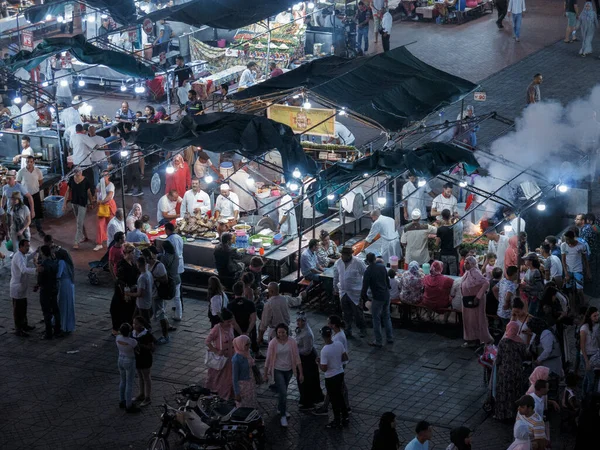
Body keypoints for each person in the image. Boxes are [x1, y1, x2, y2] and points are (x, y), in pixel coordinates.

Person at [264, 323, 303, 427]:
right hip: (277, 369)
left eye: (283, 332)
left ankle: (280, 407)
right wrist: (265, 372)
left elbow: (297, 357)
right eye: (279, 332)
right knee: (283, 393)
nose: (281, 334)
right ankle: (283, 415)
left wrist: (301, 373)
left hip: (289, 369)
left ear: (287, 332)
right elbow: (268, 358)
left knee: (283, 391)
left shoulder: (292, 342)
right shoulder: (273, 343)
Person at [493, 321, 528, 420]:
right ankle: (513, 415)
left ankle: (501, 415)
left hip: (504, 372)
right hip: (517, 372)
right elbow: (525, 356)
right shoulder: (520, 342)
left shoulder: (503, 342)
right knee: (515, 394)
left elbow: (498, 358)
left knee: (503, 394)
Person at [318, 325, 349, 429]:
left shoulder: (324, 351)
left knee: (334, 399)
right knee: (340, 396)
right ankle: (345, 416)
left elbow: (324, 369)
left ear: (323, 336)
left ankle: (336, 420)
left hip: (331, 377)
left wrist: (318, 363)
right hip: (340, 373)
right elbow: (345, 357)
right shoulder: (339, 344)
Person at [334, 246, 367, 338]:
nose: (343, 257)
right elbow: (336, 276)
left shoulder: (358, 262)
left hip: (355, 293)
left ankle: (362, 329)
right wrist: (335, 288)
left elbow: (366, 275)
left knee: (358, 313)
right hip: (343, 292)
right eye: (342, 255)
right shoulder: (338, 263)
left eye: (345, 255)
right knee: (346, 313)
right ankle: (347, 329)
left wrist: (364, 290)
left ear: (349, 255)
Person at [362, 252, 393, 348]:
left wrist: (364, 298)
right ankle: (389, 337)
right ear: (375, 259)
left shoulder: (368, 271)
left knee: (376, 319)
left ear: (367, 261)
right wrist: (388, 287)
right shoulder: (382, 267)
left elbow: (365, 287)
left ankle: (378, 341)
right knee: (387, 316)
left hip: (377, 297)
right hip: (386, 294)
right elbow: (387, 281)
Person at [461, 256, 493, 347]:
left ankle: (478, 339)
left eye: (467, 263)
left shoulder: (475, 272)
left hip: (475, 301)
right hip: (468, 301)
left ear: (472, 264)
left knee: (475, 320)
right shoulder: (467, 273)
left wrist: (478, 297)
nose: (465, 264)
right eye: (465, 262)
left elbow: (486, 283)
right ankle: (471, 338)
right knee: (469, 320)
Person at [295, 312, 324, 410]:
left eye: (301, 321)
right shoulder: (301, 330)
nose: (298, 322)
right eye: (297, 320)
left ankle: (308, 402)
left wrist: (295, 350)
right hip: (303, 358)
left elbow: (307, 350)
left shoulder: (307, 334)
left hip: (307, 360)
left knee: (307, 381)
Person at [144, 247, 172, 345]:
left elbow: (165, 280)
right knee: (149, 313)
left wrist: (154, 278)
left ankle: (166, 336)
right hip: (151, 294)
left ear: (148, 257)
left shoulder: (159, 266)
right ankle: (147, 333)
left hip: (158, 295)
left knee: (161, 315)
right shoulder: (147, 265)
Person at [10, 239, 37, 337]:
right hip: (17, 287)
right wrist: (36, 270)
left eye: (28, 246)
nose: (28, 248)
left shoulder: (22, 255)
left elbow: (28, 257)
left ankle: (24, 325)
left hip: (22, 287)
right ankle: (19, 329)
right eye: (26, 246)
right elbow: (23, 270)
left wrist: (35, 252)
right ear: (20, 247)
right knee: (18, 310)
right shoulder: (18, 257)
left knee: (23, 308)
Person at [111, 243, 138, 336]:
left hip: (131, 290)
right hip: (123, 292)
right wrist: (126, 291)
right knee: (120, 310)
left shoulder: (133, 263)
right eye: (133, 253)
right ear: (128, 253)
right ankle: (118, 329)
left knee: (130, 311)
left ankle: (128, 328)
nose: (134, 255)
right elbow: (120, 280)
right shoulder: (122, 264)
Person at [37, 245, 62, 340]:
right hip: (54, 288)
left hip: (45, 290)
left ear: (43, 253)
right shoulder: (54, 262)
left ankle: (48, 333)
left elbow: (40, 280)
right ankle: (57, 330)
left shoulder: (43, 265)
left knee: (47, 311)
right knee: (55, 309)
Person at [561, 229, 590, 309]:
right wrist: (566, 272)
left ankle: (584, 307)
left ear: (573, 238)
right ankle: (573, 308)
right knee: (570, 291)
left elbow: (585, 259)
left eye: (567, 239)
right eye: (565, 239)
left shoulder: (581, 246)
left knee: (580, 291)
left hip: (578, 270)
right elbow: (563, 260)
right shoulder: (563, 245)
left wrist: (588, 271)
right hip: (569, 271)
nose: (566, 241)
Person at [116, 323, 141, 413]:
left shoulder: (118, 338)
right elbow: (138, 350)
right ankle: (129, 405)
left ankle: (122, 400)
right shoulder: (132, 341)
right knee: (129, 383)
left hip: (120, 359)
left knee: (122, 381)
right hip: (129, 361)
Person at [132, 316, 156, 408]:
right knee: (140, 376)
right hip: (137, 358)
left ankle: (147, 397)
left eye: (136, 324)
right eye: (134, 323)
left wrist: (141, 346)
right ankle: (141, 393)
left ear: (142, 324)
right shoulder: (133, 333)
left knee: (146, 377)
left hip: (145, 358)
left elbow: (152, 348)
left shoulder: (147, 335)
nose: (134, 325)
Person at [232, 335, 258, 408]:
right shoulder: (236, 359)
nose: (249, 346)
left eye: (249, 344)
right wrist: (237, 393)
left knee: (252, 403)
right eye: (246, 344)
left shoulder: (248, 353)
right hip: (243, 386)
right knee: (243, 406)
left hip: (251, 382)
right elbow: (234, 378)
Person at [94, 170, 116, 251]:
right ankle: (99, 243)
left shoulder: (111, 185)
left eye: (105, 175)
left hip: (109, 206)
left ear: (108, 176)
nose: (104, 177)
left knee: (111, 224)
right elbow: (96, 192)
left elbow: (109, 196)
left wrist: (101, 201)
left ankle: (114, 240)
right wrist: (96, 199)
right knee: (100, 225)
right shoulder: (99, 184)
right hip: (101, 206)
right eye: (102, 175)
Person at [579, 306, 599, 394]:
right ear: (590, 316)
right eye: (595, 316)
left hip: (595, 354)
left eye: (598, 315)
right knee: (591, 380)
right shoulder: (584, 328)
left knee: (588, 378)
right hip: (586, 355)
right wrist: (586, 361)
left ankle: (585, 396)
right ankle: (588, 398)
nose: (597, 317)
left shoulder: (597, 326)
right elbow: (582, 345)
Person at [128, 256, 153, 323]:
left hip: (143, 304)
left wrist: (128, 294)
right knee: (135, 319)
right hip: (145, 302)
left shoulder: (142, 277)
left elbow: (140, 294)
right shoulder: (149, 273)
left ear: (138, 265)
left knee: (145, 322)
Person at [56, 247, 75, 333]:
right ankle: (68, 325)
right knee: (69, 304)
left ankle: (62, 325)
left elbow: (58, 275)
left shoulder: (61, 262)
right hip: (69, 284)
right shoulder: (68, 262)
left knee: (63, 304)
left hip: (64, 284)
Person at [437, 209, 458, 275]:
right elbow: (458, 241)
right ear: (450, 216)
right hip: (453, 254)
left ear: (442, 217)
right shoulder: (455, 228)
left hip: (443, 254)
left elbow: (437, 243)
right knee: (453, 275)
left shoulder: (440, 229)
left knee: (443, 274)